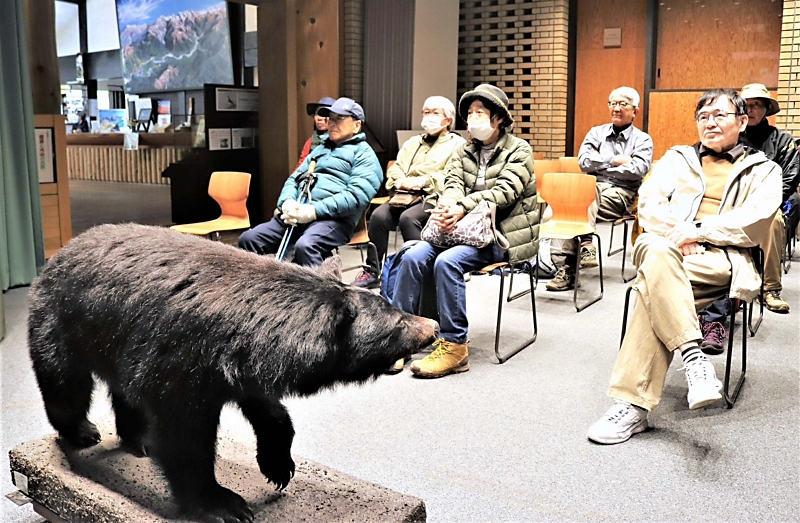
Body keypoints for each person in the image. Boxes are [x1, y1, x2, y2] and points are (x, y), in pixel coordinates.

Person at [587, 89, 781, 445]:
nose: (710, 122)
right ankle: (695, 358)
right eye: (703, 116)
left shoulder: (764, 169)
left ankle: (632, 407)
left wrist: (697, 230)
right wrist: (677, 237)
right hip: (668, 246)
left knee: (650, 284)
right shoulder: (677, 158)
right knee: (656, 252)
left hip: (722, 258)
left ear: (742, 122)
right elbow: (648, 204)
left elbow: (755, 222)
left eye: (720, 115)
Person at [385, 84, 538, 377]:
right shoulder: (464, 150)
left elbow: (506, 191)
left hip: (501, 233)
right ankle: (399, 338)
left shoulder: (520, 150)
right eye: (469, 113)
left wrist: (463, 207)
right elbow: (452, 184)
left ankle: (455, 346)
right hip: (460, 229)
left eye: (480, 112)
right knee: (412, 253)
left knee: (447, 261)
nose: (473, 118)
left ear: (499, 119)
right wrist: (448, 208)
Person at [696, 84, 799, 354]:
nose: (751, 109)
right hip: (727, 207)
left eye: (757, 105)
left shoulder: (783, 140)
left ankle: (771, 288)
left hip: (767, 201)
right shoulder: (727, 134)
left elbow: (789, 176)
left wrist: (769, 201)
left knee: (773, 221)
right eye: (747, 104)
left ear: (766, 109)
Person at [238, 97, 382, 266]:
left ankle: (322, 292)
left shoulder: (364, 154)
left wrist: (313, 211)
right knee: (248, 239)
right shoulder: (319, 150)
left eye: (340, 118)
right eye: (331, 118)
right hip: (298, 213)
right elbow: (293, 179)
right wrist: (287, 203)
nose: (333, 123)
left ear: (357, 125)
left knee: (306, 246)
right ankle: (260, 289)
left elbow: (356, 196)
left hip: (334, 220)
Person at [351, 96, 466, 289]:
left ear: (448, 120)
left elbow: (452, 175)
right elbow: (396, 168)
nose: (428, 116)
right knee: (378, 217)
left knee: (408, 219)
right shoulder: (412, 143)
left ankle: (419, 271)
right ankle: (372, 270)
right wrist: (401, 181)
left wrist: (422, 182)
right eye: (426, 112)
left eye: (435, 113)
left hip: (433, 196)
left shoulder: (457, 144)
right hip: (404, 195)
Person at [547, 87, 653, 291]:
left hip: (622, 194)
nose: (616, 108)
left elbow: (637, 170)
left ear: (635, 111)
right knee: (577, 198)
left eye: (623, 104)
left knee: (573, 203)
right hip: (593, 191)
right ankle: (583, 248)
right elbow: (584, 163)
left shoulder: (642, 140)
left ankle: (570, 263)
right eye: (613, 103)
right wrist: (615, 160)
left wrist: (601, 163)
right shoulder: (596, 133)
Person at [296, 97, 334, 170]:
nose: (319, 118)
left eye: (324, 114)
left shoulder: (340, 142)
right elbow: (300, 167)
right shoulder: (310, 142)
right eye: (317, 114)